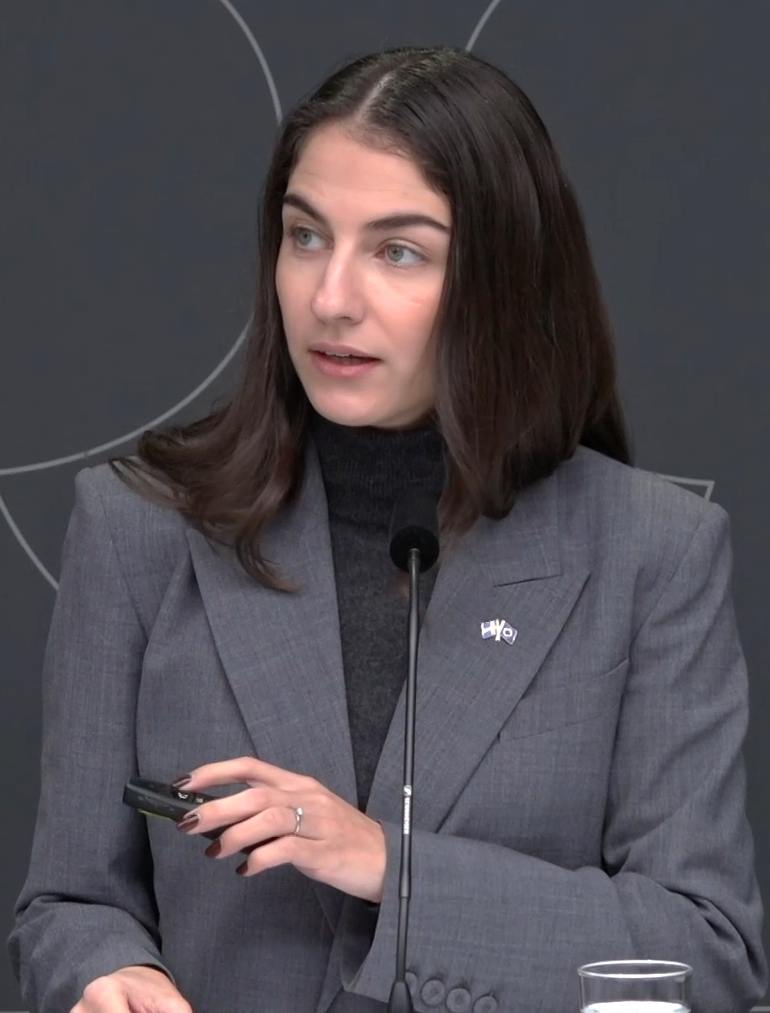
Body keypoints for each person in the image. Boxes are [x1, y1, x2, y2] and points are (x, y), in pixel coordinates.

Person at [8, 45, 766, 1013]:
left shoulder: (651, 552)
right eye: (305, 236)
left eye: (397, 251)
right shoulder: (138, 524)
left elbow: (705, 950)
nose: (330, 299)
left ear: (503, 279)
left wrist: (386, 865)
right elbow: (70, 902)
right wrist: (112, 972)